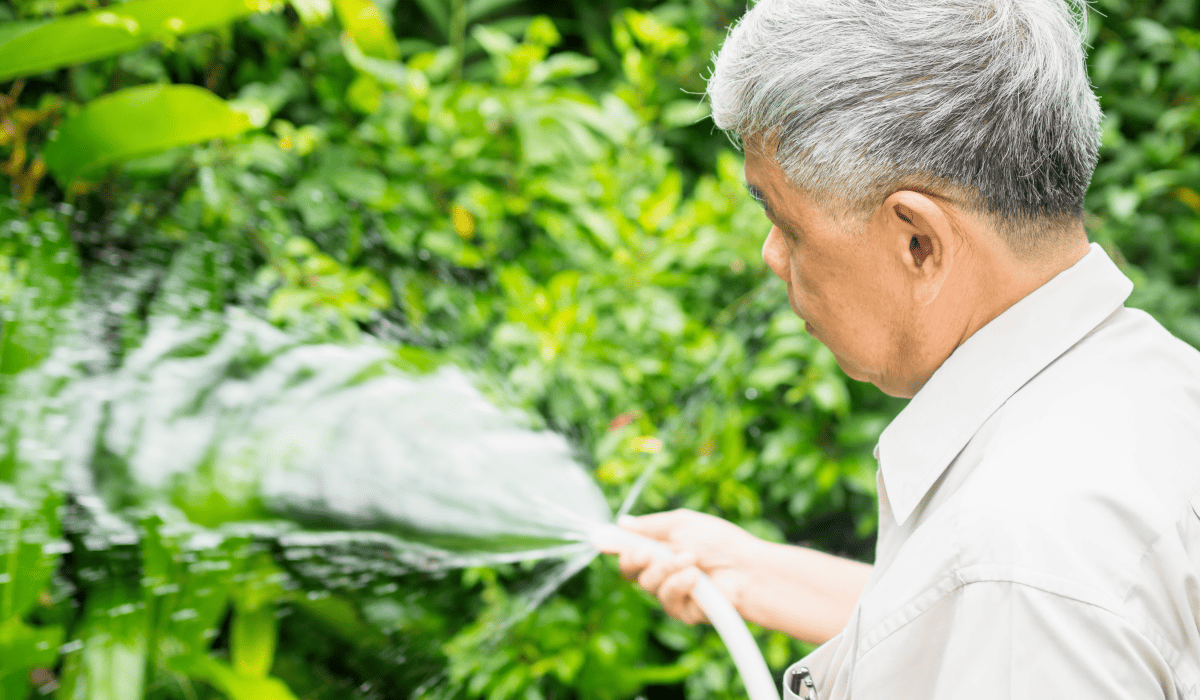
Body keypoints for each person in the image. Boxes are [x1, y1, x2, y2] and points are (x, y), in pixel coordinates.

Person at [595, 0, 1200, 697]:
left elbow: (1012, 599)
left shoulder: (1019, 563)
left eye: (786, 223)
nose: (770, 257)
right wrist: (752, 571)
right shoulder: (1153, 384)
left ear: (919, 243)